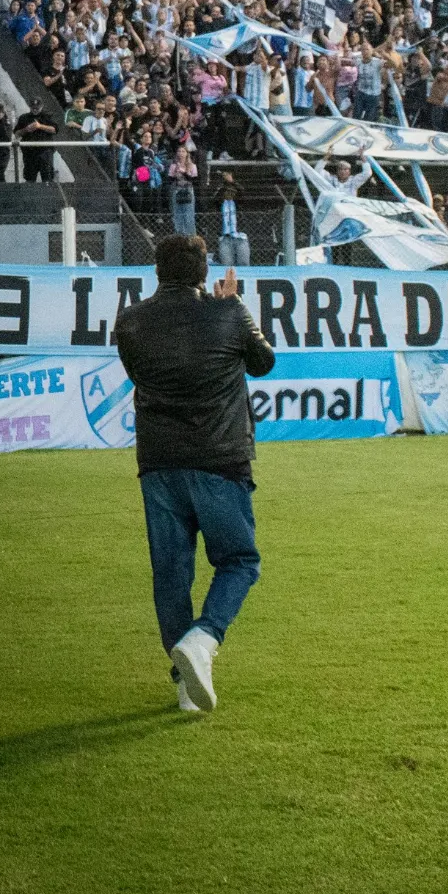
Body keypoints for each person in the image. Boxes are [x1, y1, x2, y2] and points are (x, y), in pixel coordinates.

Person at [115, 235, 275, 712]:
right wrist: (236, 307)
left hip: (159, 462)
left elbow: (138, 375)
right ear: (205, 272)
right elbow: (264, 363)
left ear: (158, 271)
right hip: (220, 459)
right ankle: (203, 641)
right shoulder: (228, 313)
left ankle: (186, 684)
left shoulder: (131, 321)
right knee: (239, 562)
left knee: (171, 574)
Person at [15, 98, 58, 182]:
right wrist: (26, 129)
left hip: (45, 151)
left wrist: (40, 126)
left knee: (47, 178)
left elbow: (54, 129)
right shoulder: (24, 117)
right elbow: (17, 133)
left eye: (37, 108)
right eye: (33, 107)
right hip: (29, 152)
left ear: (41, 106)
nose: (35, 110)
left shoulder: (48, 116)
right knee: (30, 178)